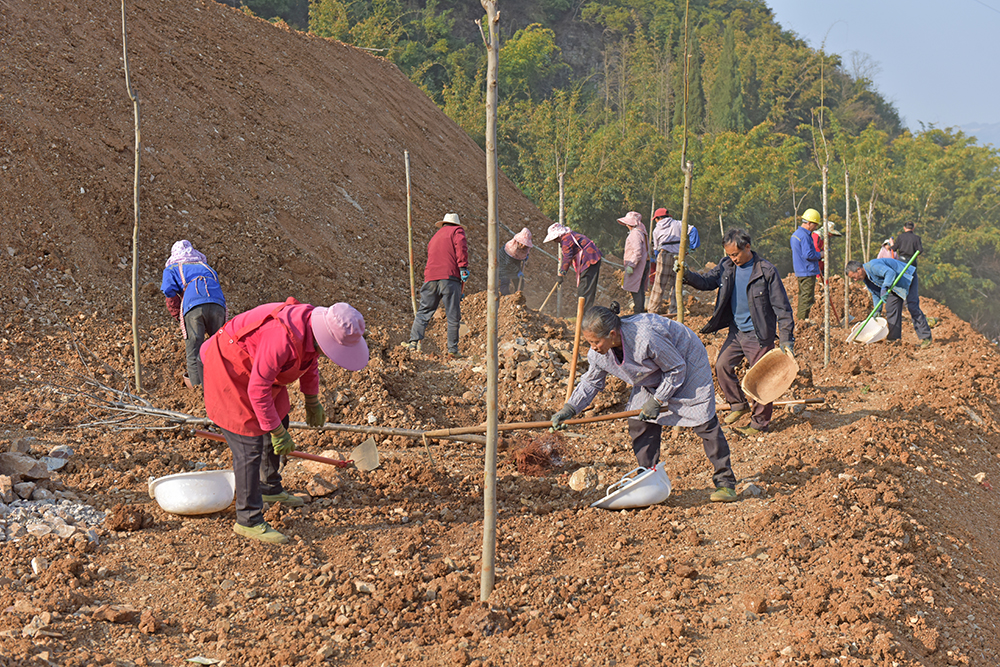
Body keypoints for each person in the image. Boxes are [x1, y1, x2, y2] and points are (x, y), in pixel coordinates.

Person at [201, 298, 370, 544]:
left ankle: (269, 487)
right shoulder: (280, 338)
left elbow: (309, 361)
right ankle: (248, 519)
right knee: (249, 443)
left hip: (257, 371)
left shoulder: (309, 330)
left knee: (280, 416)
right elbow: (258, 391)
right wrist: (276, 432)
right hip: (230, 367)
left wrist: (312, 400)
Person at [550, 303, 739, 502]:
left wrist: (657, 399)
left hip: (685, 361)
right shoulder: (598, 353)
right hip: (650, 373)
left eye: (595, 341)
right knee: (639, 420)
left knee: (703, 421)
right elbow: (591, 381)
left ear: (612, 334)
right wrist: (570, 408)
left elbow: (676, 369)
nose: (593, 347)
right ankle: (648, 478)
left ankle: (725, 482)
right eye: (589, 343)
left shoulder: (645, 337)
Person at [679, 228, 795, 436]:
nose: (733, 259)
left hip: (759, 335)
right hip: (736, 332)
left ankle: (759, 424)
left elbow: (782, 308)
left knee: (762, 380)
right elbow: (706, 282)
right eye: (729, 255)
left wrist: (786, 340)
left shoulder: (766, 271)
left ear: (747, 247)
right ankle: (738, 404)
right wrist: (686, 275)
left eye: (736, 254)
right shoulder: (726, 266)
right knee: (722, 365)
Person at [160, 240, 227, 388]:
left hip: (194, 307)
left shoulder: (172, 268)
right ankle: (225, 383)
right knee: (220, 346)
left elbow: (168, 291)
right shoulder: (206, 268)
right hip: (217, 305)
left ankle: (197, 388)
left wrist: (177, 314)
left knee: (194, 348)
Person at [403, 213, 469, 357]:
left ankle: (413, 342)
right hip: (449, 278)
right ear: (456, 224)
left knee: (424, 311)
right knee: (453, 315)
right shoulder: (457, 232)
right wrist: (463, 267)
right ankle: (452, 350)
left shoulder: (435, 237)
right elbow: (461, 247)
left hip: (431, 278)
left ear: (444, 224)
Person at [845, 258, 932, 347]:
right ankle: (894, 339)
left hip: (906, 277)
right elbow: (875, 294)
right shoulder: (866, 279)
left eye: (854, 277)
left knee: (912, 306)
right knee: (891, 308)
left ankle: (925, 337)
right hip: (894, 285)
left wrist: (884, 288)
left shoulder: (872, 267)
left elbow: (890, 273)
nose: (855, 280)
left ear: (859, 270)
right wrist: (877, 311)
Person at [648, 208, 699, 316]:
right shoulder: (679, 224)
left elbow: (656, 249)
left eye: (656, 219)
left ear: (658, 218)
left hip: (664, 255)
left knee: (659, 284)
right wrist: (692, 248)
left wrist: (658, 261)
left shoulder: (656, 230)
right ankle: (674, 310)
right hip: (678, 256)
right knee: (677, 283)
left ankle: (652, 309)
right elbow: (693, 230)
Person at [543, 222, 603, 314]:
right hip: (590, 260)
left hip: (590, 260)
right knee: (584, 289)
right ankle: (584, 314)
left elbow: (567, 257)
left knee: (585, 289)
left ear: (558, 236)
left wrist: (561, 274)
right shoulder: (568, 236)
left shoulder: (566, 239)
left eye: (554, 239)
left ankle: (584, 316)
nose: (554, 241)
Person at [790, 208, 824, 322]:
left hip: (800, 270)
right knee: (807, 297)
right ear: (809, 223)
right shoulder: (805, 236)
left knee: (802, 296)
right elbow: (808, 254)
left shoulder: (796, 234)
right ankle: (803, 321)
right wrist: (821, 255)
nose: (816, 228)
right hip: (807, 270)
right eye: (815, 225)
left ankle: (802, 319)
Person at [618, 211, 649, 313]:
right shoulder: (642, 232)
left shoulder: (635, 234)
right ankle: (639, 311)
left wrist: (632, 265)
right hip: (643, 264)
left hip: (637, 265)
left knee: (635, 289)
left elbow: (637, 251)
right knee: (639, 289)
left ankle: (638, 311)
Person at [499, 227, 532, 295]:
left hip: (515, 262)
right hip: (504, 263)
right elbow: (508, 263)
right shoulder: (511, 247)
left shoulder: (526, 247)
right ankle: (506, 299)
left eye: (525, 245)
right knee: (505, 281)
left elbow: (527, 252)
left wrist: (525, 257)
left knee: (519, 281)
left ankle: (517, 296)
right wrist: (517, 271)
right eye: (521, 244)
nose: (523, 246)